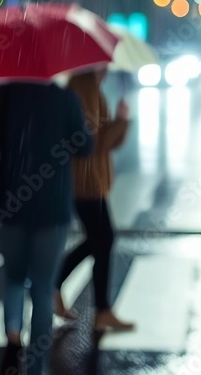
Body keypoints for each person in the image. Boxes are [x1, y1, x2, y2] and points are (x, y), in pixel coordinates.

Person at [0, 82, 94, 375]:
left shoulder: (0, 94)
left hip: (10, 200)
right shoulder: (65, 98)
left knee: (14, 278)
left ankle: (11, 339)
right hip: (52, 204)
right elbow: (84, 146)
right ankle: (37, 366)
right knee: (44, 288)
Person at [54, 68, 135, 332]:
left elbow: (108, 142)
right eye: (104, 61)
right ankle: (95, 307)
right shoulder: (82, 87)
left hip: (92, 179)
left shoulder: (92, 87)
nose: (108, 66)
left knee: (101, 241)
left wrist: (121, 122)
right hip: (83, 180)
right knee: (104, 239)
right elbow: (92, 143)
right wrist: (121, 123)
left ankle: (100, 309)